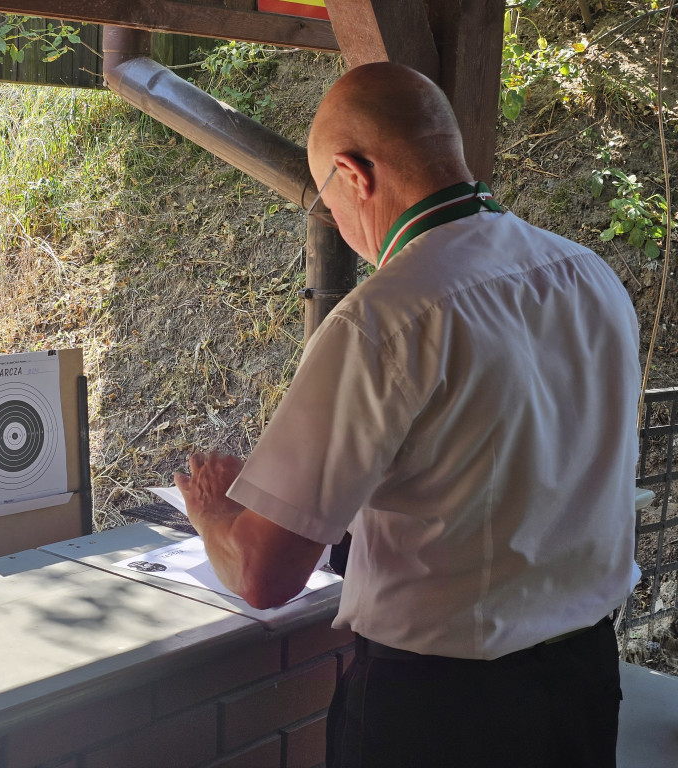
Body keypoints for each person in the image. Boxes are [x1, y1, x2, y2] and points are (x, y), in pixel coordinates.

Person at [174, 62, 640, 768]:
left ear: (355, 173)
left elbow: (264, 576)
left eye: (327, 200)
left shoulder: (383, 320)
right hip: (582, 683)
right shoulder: (587, 275)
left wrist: (213, 511)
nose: (336, 220)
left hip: (443, 710)